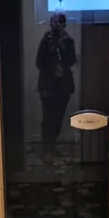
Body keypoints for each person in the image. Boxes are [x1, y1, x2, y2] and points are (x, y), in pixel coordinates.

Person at [36, 13, 77, 161]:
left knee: (59, 117)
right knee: (48, 117)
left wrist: (62, 46)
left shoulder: (68, 41)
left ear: (64, 24)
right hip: (47, 85)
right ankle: (46, 148)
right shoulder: (46, 40)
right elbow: (39, 62)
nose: (57, 24)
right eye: (54, 22)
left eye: (60, 22)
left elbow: (72, 61)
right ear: (50, 24)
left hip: (63, 85)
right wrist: (50, 47)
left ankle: (52, 146)